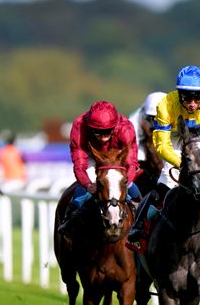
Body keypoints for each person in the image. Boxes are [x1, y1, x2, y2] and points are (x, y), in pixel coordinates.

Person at [126, 65, 200, 256]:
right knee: (164, 183)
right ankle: (138, 228)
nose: (191, 103)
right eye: (187, 97)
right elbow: (161, 145)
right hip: (175, 140)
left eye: (197, 97)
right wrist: (182, 163)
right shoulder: (165, 105)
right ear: (178, 93)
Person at [57, 100, 141, 235]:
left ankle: (141, 225)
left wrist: (126, 181)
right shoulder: (79, 126)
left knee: (132, 190)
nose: (103, 138)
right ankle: (70, 220)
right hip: (92, 156)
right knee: (81, 193)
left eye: (107, 132)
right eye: (97, 132)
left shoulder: (126, 128)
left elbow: (131, 162)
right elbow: (79, 164)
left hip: (117, 158)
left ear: (115, 126)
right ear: (90, 127)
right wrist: (88, 185)